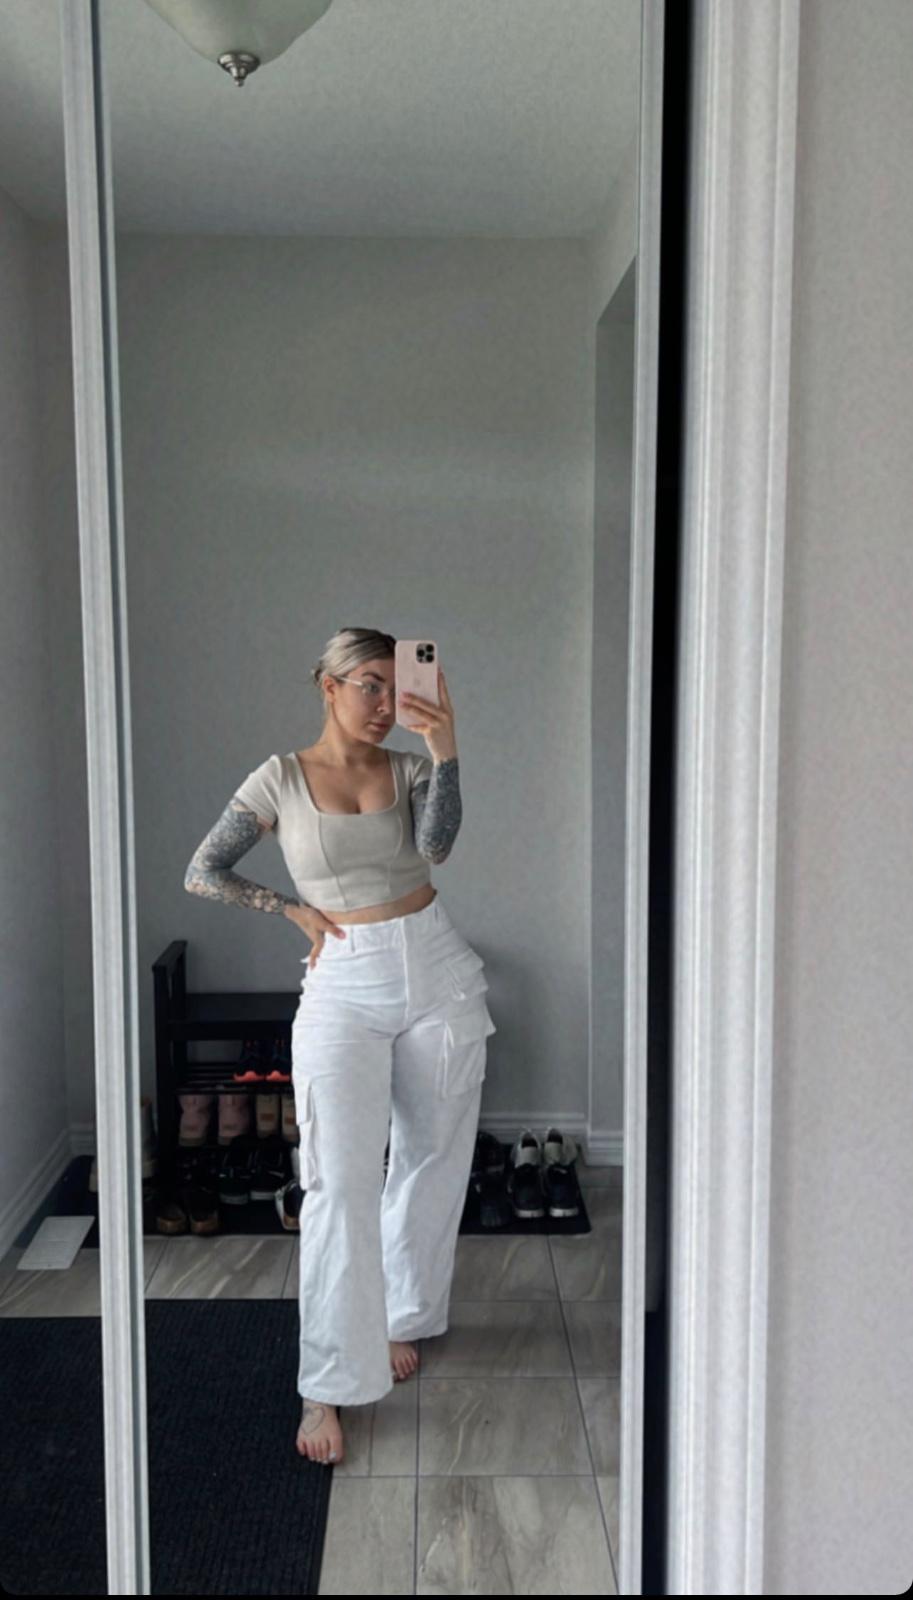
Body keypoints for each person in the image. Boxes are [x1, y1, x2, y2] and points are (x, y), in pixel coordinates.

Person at [184, 626, 496, 1468]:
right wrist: (287, 908)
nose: (386, 703)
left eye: (397, 686)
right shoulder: (279, 778)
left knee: (432, 1158)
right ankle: (325, 1382)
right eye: (369, 685)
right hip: (344, 977)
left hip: (435, 965)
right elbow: (204, 870)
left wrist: (445, 748)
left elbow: (435, 848)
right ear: (328, 686)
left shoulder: (411, 767)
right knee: (335, 1183)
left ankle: (402, 1316)